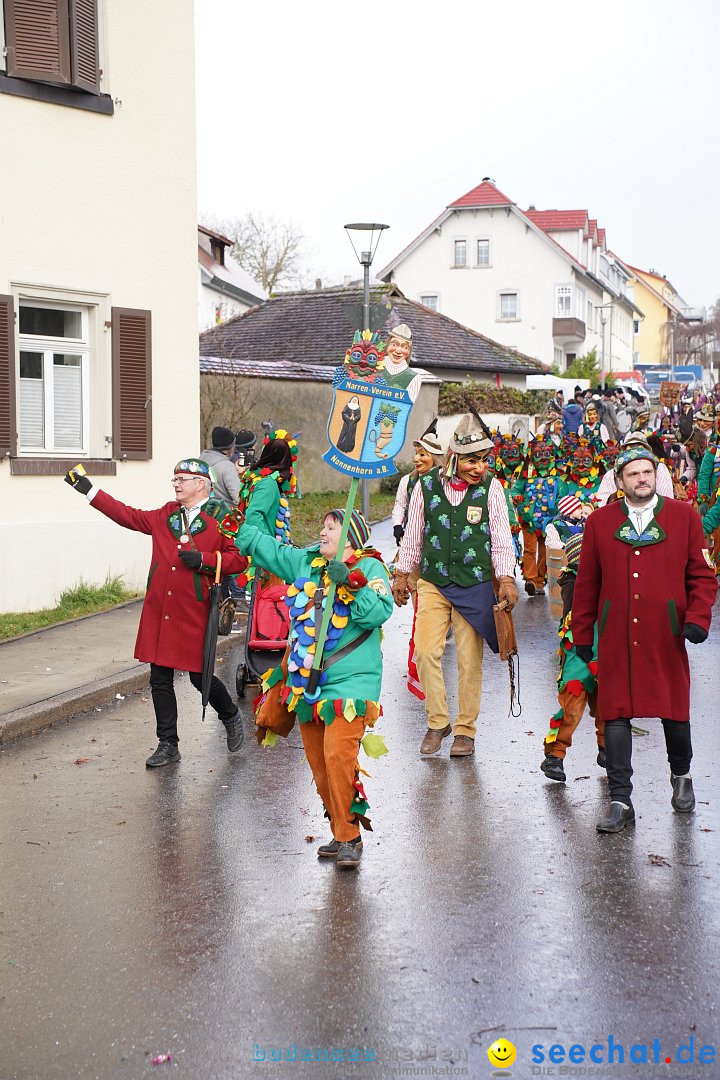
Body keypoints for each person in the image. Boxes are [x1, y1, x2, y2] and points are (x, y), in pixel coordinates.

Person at [235, 508, 393, 869]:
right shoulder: (306, 563)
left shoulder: (370, 569)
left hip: (351, 682)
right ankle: (340, 832)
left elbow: (378, 612)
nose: (322, 532)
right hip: (308, 683)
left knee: (339, 756)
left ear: (350, 537)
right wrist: (236, 524)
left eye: (331, 528)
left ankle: (351, 837)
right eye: (323, 526)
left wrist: (351, 583)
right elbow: (267, 549)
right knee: (320, 764)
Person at [64, 459, 249, 766]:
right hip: (161, 608)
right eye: (174, 479)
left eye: (182, 479)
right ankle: (168, 743)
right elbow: (128, 516)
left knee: (198, 677)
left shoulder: (224, 517)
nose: (176, 484)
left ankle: (230, 714)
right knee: (159, 677)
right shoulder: (166, 514)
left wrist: (203, 559)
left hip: (195, 608)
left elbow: (240, 560)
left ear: (201, 484)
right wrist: (88, 489)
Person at [572, 446, 717, 833]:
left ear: (656, 476)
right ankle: (621, 799)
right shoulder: (600, 523)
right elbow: (586, 584)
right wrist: (583, 634)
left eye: (647, 473)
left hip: (665, 633)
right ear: (619, 482)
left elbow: (702, 576)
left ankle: (681, 776)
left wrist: (697, 617)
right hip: (617, 635)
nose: (641, 479)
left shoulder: (684, 517)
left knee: (674, 708)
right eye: (632, 474)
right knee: (615, 712)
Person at [392, 413, 518, 757]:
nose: (479, 468)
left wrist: (505, 578)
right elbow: (414, 534)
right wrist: (402, 574)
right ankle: (437, 721)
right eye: (472, 460)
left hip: (473, 583)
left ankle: (465, 730)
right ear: (453, 457)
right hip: (432, 580)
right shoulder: (426, 486)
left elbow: (502, 539)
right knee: (425, 652)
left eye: (484, 460)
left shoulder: (492, 488)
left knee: (467, 659)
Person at [391, 420, 446, 700]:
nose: (417, 459)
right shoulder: (408, 481)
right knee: (419, 608)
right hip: (414, 556)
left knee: (430, 608)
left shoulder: (444, 482)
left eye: (423, 454)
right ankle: (418, 661)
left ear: (435, 458)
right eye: (416, 453)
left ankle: (428, 651)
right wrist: (398, 525)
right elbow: (400, 504)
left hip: (437, 556)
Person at [512, 434, 567, 595]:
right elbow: (516, 491)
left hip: (548, 521)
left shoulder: (557, 476)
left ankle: (539, 581)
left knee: (544, 551)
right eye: (538, 454)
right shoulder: (525, 476)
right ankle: (530, 579)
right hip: (529, 521)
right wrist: (522, 507)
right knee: (529, 550)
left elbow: (561, 496)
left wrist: (555, 510)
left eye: (546, 454)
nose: (542, 458)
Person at [595, 432, 674, 507]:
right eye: (630, 450)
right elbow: (601, 503)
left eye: (639, 450)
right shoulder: (612, 474)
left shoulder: (659, 469)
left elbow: (666, 501)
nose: (635, 454)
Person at [199, 426, 241, 507]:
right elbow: (238, 498)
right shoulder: (227, 467)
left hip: (203, 513)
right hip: (223, 515)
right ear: (231, 447)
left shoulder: (201, 461)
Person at [381, 323, 424, 402]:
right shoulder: (374, 366)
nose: (398, 351)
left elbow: (406, 408)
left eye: (404, 347)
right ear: (387, 345)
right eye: (394, 344)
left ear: (409, 350)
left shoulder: (414, 378)